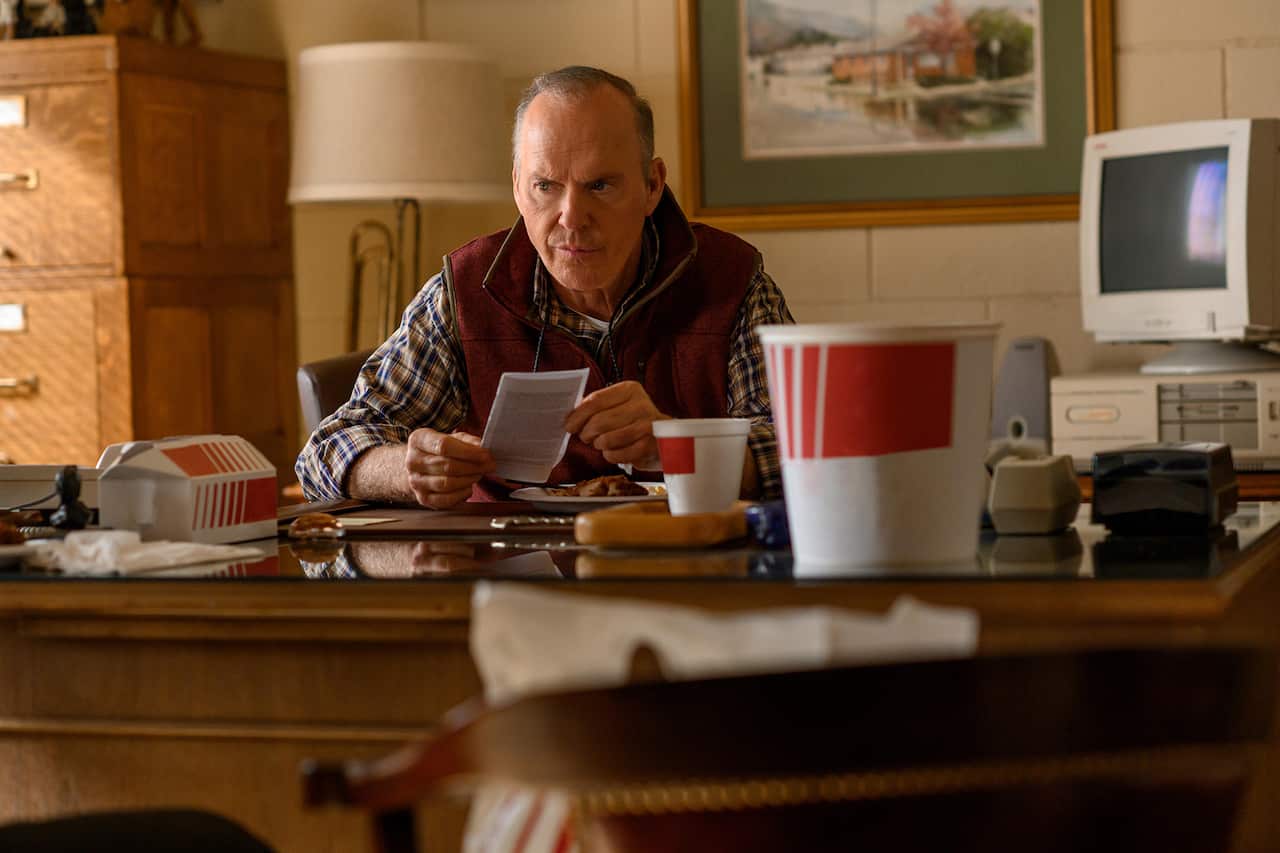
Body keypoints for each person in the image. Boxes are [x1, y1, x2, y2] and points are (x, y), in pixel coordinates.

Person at [296, 66, 793, 509]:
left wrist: (677, 444)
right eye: (545, 186)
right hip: (510, 577)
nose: (571, 217)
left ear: (652, 186)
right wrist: (407, 470)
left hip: (689, 574)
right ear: (517, 187)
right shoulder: (464, 292)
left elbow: (805, 448)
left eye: (600, 185)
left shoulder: (732, 280)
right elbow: (325, 451)